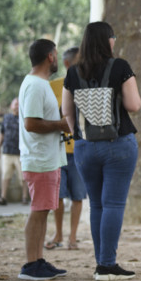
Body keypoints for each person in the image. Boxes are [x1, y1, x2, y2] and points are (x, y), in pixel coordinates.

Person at [63, 21, 141, 281]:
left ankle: (101, 263)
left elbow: (67, 111)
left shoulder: (73, 73)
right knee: (114, 204)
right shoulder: (120, 67)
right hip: (118, 143)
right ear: (108, 40)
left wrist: (80, 135)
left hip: (85, 147)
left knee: (96, 204)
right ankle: (107, 265)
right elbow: (133, 105)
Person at [17, 39, 68, 280]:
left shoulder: (40, 84)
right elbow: (31, 123)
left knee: (44, 209)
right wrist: (61, 124)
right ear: (50, 56)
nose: (57, 59)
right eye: (55, 55)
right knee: (38, 210)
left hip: (46, 158)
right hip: (39, 158)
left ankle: (37, 260)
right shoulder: (35, 85)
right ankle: (30, 265)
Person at [46, 47, 86, 250]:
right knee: (58, 195)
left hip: (80, 148)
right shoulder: (53, 86)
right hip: (58, 149)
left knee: (78, 195)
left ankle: (73, 237)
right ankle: (58, 234)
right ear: (68, 64)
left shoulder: (88, 84)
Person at [0, 98, 24, 205]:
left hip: (20, 152)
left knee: (23, 177)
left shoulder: (24, 118)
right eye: (15, 104)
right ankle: (3, 197)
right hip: (7, 151)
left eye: (18, 104)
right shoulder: (6, 118)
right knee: (6, 175)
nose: (16, 106)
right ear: (11, 106)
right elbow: (2, 133)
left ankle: (24, 198)